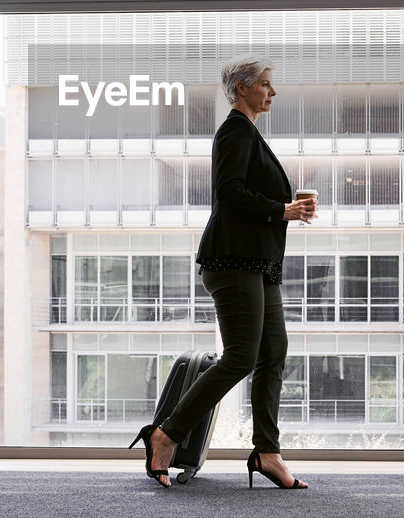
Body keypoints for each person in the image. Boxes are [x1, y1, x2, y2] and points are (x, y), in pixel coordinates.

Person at [130, 55, 315, 489]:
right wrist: (281, 209)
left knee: (274, 354)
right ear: (241, 89)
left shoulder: (249, 133)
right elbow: (228, 191)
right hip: (232, 262)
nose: (272, 92)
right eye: (265, 84)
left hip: (259, 263)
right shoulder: (235, 129)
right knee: (241, 357)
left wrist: (282, 212)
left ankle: (267, 451)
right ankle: (165, 435)